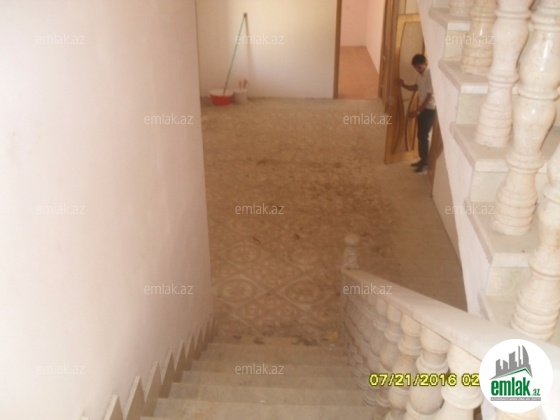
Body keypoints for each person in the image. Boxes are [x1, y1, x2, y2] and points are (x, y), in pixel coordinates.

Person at [399, 54, 436, 173]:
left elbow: (429, 97)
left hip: (429, 109)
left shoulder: (430, 75)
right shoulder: (420, 75)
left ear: (426, 63)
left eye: (419, 67)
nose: (418, 70)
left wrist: (417, 111)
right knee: (420, 135)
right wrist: (403, 85)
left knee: (424, 136)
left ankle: (425, 162)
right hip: (423, 108)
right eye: (416, 68)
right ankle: (422, 159)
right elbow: (416, 87)